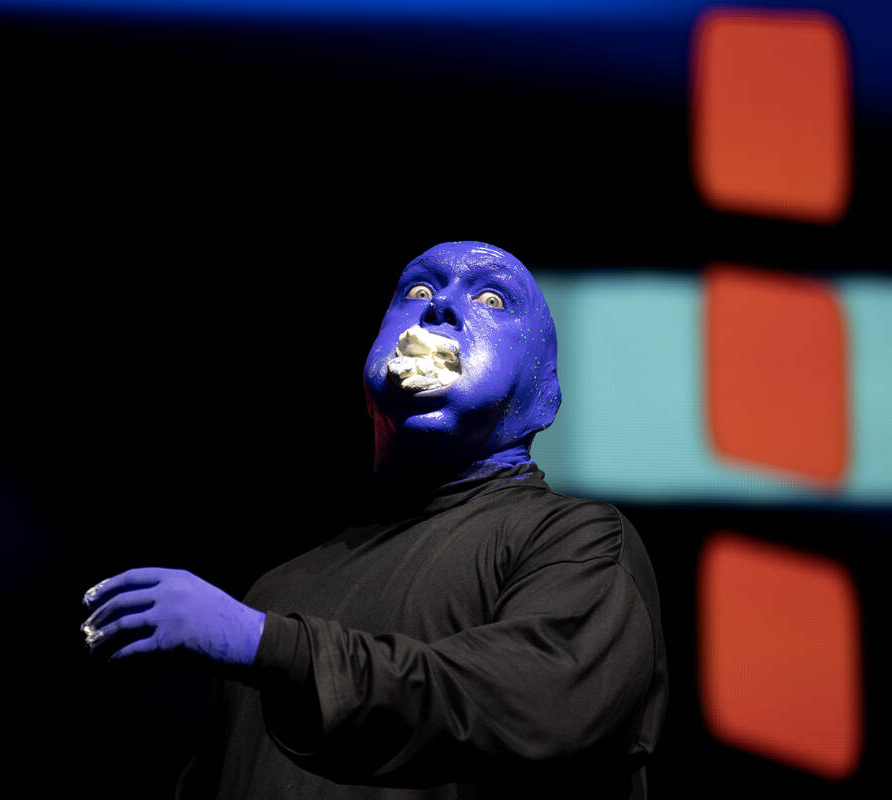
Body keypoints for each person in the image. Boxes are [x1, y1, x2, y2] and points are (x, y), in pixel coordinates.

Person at [81, 241, 668, 799]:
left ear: (544, 392)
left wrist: (271, 647)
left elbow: (540, 705)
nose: (439, 305)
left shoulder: (571, 542)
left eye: (492, 300)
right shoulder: (280, 588)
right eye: (416, 289)